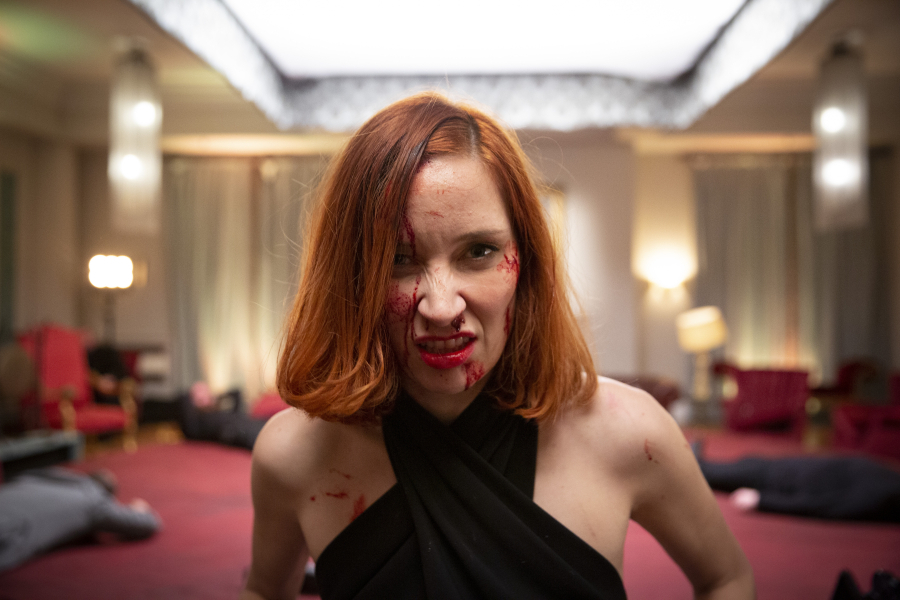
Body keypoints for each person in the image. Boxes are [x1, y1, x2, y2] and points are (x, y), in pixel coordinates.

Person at [241, 93, 754, 600]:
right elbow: (264, 590)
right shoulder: (294, 455)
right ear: (350, 276)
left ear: (525, 262)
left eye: (479, 251)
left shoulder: (628, 433)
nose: (440, 307)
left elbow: (726, 578)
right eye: (398, 259)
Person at [0, 467, 161, 572]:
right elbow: (147, 524)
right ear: (107, 495)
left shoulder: (43, 476)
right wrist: (139, 509)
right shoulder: (94, 501)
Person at [693, 445, 900, 522]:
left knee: (710, 475)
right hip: (787, 469)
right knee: (745, 463)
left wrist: (762, 500)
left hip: (780, 482)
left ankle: (692, 461)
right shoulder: (890, 481)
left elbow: (826, 506)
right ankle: (697, 460)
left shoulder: (883, 493)